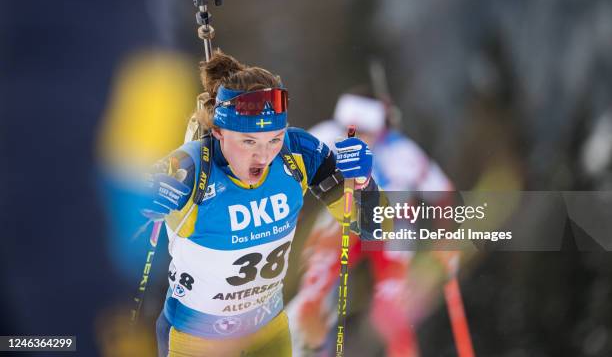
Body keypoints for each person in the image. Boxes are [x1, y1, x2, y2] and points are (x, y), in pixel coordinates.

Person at [142, 51, 386, 357]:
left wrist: (364, 184)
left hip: (267, 333)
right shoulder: (191, 167)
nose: (264, 156)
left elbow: (373, 228)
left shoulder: (299, 154)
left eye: (274, 138)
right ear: (218, 132)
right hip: (197, 340)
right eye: (248, 142)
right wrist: (147, 199)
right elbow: (119, 222)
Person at [287, 90, 455, 357]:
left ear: (378, 129)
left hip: (393, 227)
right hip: (343, 219)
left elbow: (442, 192)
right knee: (313, 294)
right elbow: (288, 178)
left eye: (365, 132)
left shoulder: (401, 151)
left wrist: (445, 242)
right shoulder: (323, 138)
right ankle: (307, 345)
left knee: (394, 313)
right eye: (350, 132)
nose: (357, 140)